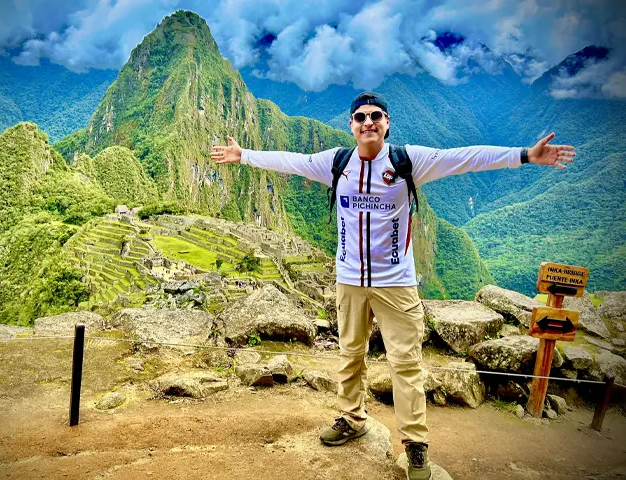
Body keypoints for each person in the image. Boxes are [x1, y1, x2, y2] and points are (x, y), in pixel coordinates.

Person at [208, 91, 575, 480]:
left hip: (396, 284)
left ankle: (415, 446)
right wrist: (243, 155)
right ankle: (353, 417)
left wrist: (524, 155)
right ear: (351, 124)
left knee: (406, 364)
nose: (368, 121)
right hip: (349, 281)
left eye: (376, 116)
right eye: (361, 116)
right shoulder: (336, 162)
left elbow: (465, 158)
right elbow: (291, 163)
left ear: (387, 123)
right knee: (350, 354)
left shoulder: (407, 162)